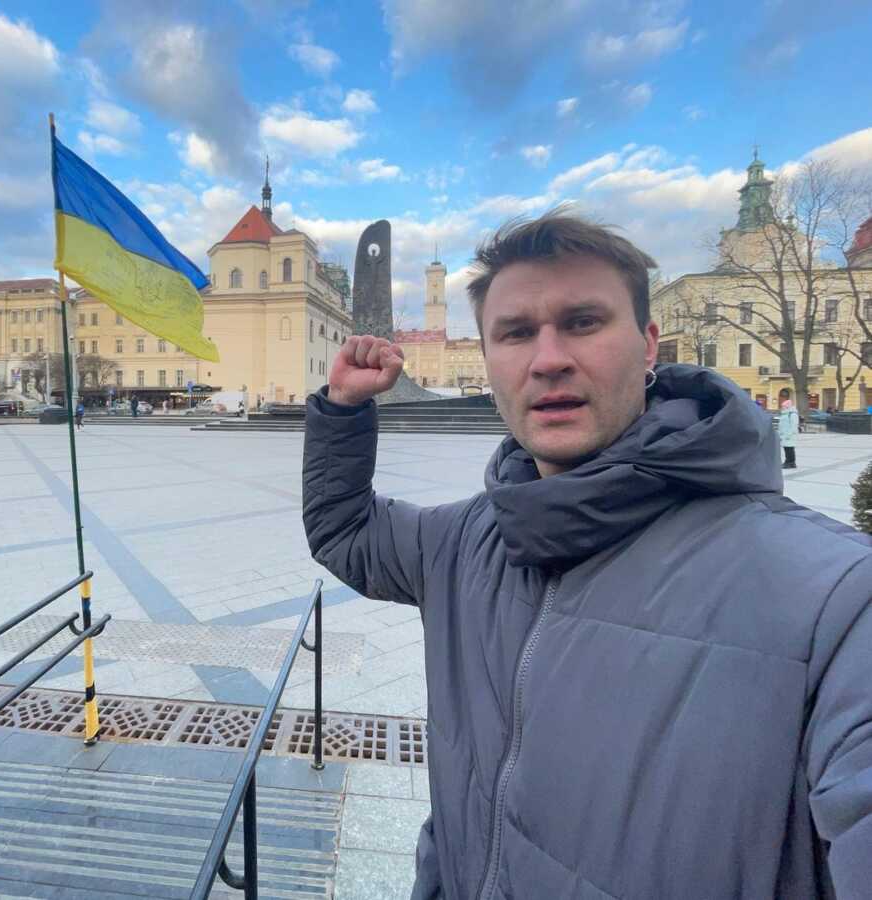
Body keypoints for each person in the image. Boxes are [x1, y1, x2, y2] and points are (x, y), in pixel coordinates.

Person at [303, 210, 872, 900]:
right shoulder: (464, 541)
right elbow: (346, 532)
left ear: (649, 342)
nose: (548, 359)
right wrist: (341, 408)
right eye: (515, 333)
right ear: (487, 361)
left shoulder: (835, 598)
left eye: (582, 322)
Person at [778, 388, 800, 468]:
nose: (783, 407)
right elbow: (781, 425)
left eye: (784, 406)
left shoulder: (792, 414)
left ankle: (791, 462)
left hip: (789, 436)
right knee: (786, 449)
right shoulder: (784, 414)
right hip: (784, 435)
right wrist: (780, 433)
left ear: (788, 406)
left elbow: (794, 425)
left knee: (790, 449)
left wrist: (789, 434)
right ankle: (788, 461)